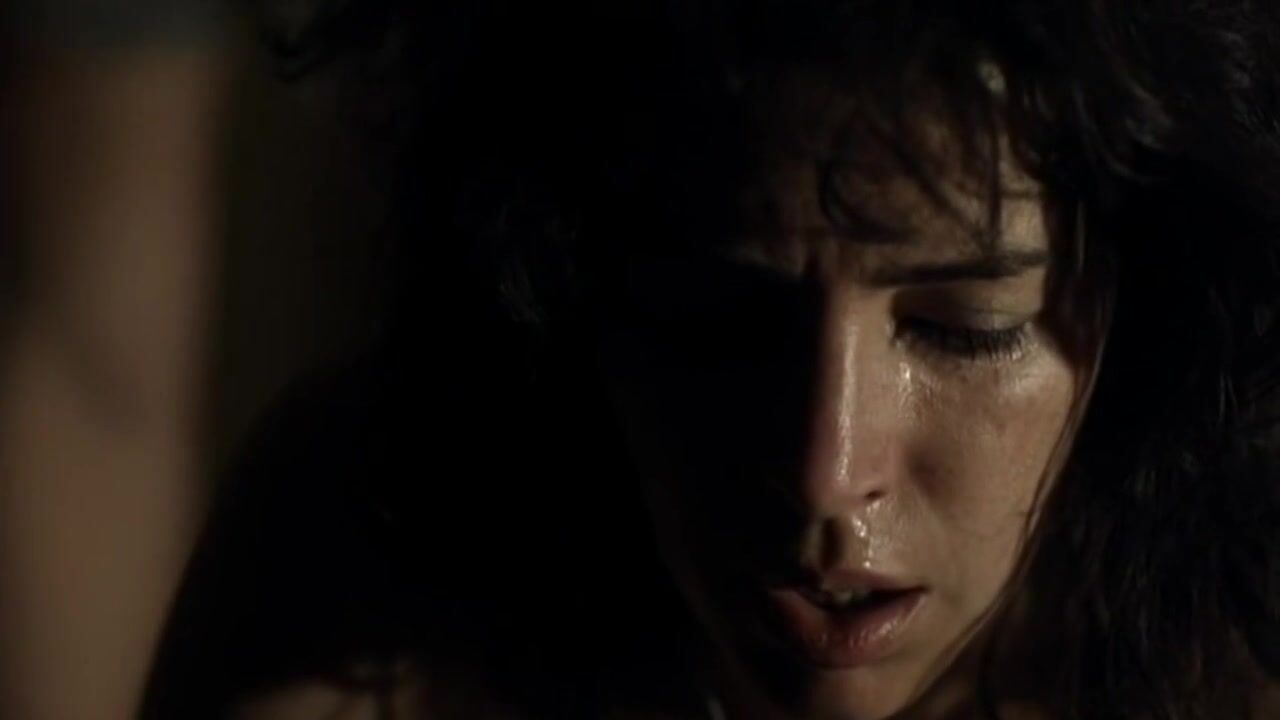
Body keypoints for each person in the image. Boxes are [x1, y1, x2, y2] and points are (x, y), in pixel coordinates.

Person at [147, 1, 1280, 718]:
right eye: (712, 316)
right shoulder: (373, 554)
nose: (824, 470)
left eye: (965, 328)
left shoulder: (1243, 650)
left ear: (1153, 311)